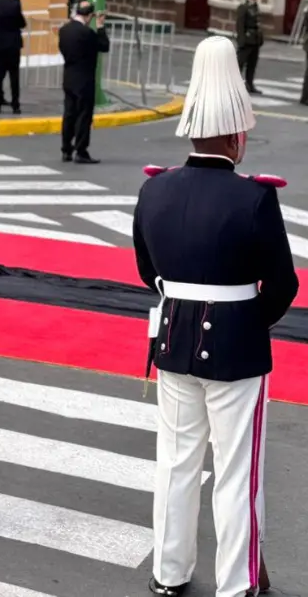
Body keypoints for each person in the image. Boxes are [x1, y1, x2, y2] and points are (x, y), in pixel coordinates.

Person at [134, 36, 297, 597]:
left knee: (176, 463)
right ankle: (237, 583)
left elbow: (145, 270)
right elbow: (283, 285)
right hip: (237, 347)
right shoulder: (254, 199)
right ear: (236, 134)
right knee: (236, 471)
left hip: (174, 339)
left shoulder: (154, 191)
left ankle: (169, 573)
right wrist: (251, 321)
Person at [58, 1, 110, 164]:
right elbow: (104, 46)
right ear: (89, 16)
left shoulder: (64, 30)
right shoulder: (87, 33)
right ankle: (81, 150)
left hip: (69, 76)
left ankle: (66, 149)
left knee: (69, 114)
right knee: (83, 116)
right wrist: (100, 27)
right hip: (84, 79)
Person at [235, 0, 263, 95]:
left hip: (255, 40)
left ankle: (249, 84)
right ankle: (234, 85)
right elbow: (240, 25)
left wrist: (260, 38)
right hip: (246, 40)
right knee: (239, 64)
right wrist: (241, 41)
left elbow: (258, 23)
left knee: (252, 64)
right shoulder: (243, 6)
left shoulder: (255, 6)